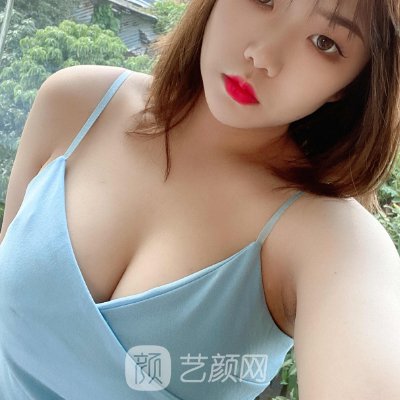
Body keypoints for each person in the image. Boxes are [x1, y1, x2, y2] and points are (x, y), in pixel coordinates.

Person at [0, 0, 399, 398]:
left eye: (324, 42)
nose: (262, 56)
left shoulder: (331, 241)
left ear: (349, 84)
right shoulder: (76, 103)